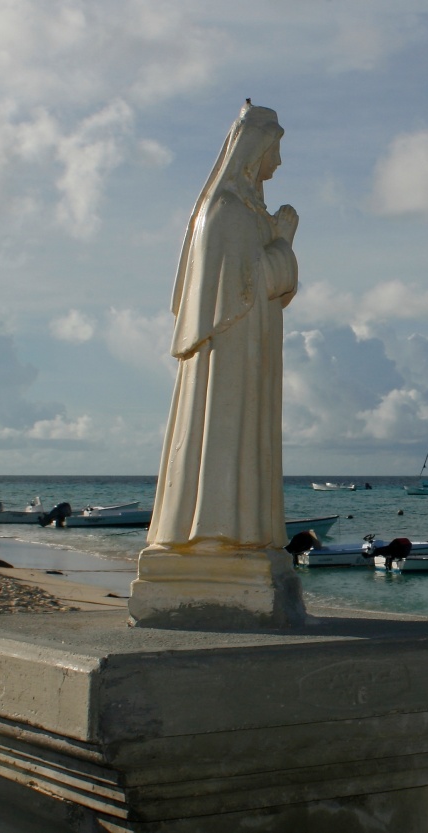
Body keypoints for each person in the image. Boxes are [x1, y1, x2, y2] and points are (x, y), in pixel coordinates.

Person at [144, 101, 299, 554]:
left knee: (246, 435)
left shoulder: (248, 210)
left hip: (253, 347)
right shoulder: (227, 209)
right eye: (275, 149)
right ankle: (214, 532)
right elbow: (246, 286)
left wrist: (276, 238)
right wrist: (284, 246)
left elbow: (258, 282)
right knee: (223, 433)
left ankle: (247, 533)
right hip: (230, 352)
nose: (279, 163)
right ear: (256, 148)